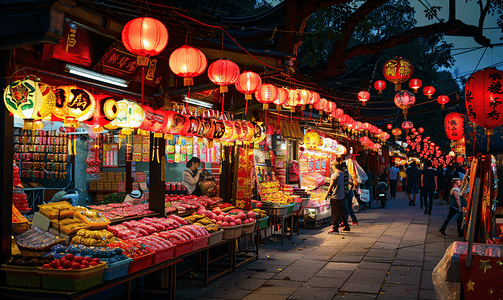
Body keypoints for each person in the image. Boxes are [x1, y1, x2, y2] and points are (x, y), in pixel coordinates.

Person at [325, 161, 349, 234]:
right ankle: (346, 226)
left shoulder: (335, 174)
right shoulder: (341, 173)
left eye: (332, 166)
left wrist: (326, 194)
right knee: (341, 211)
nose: (332, 167)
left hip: (335, 196)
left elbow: (331, 185)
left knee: (334, 213)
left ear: (334, 166)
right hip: (340, 195)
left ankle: (335, 228)